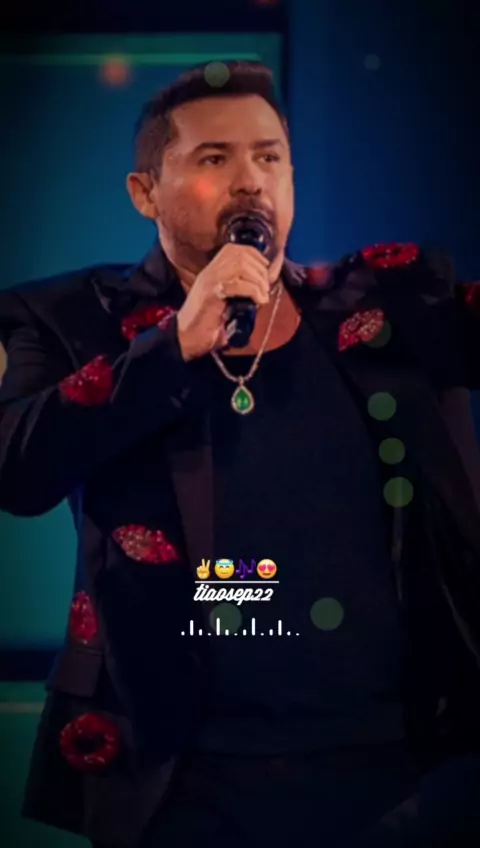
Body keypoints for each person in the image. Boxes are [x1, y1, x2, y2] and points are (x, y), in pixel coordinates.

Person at [1, 59, 480, 848]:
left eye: (269, 156)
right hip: (182, 777)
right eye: (215, 158)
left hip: (383, 769)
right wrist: (172, 345)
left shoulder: (383, 307)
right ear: (145, 192)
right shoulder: (68, 318)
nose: (251, 180)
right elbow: (17, 469)